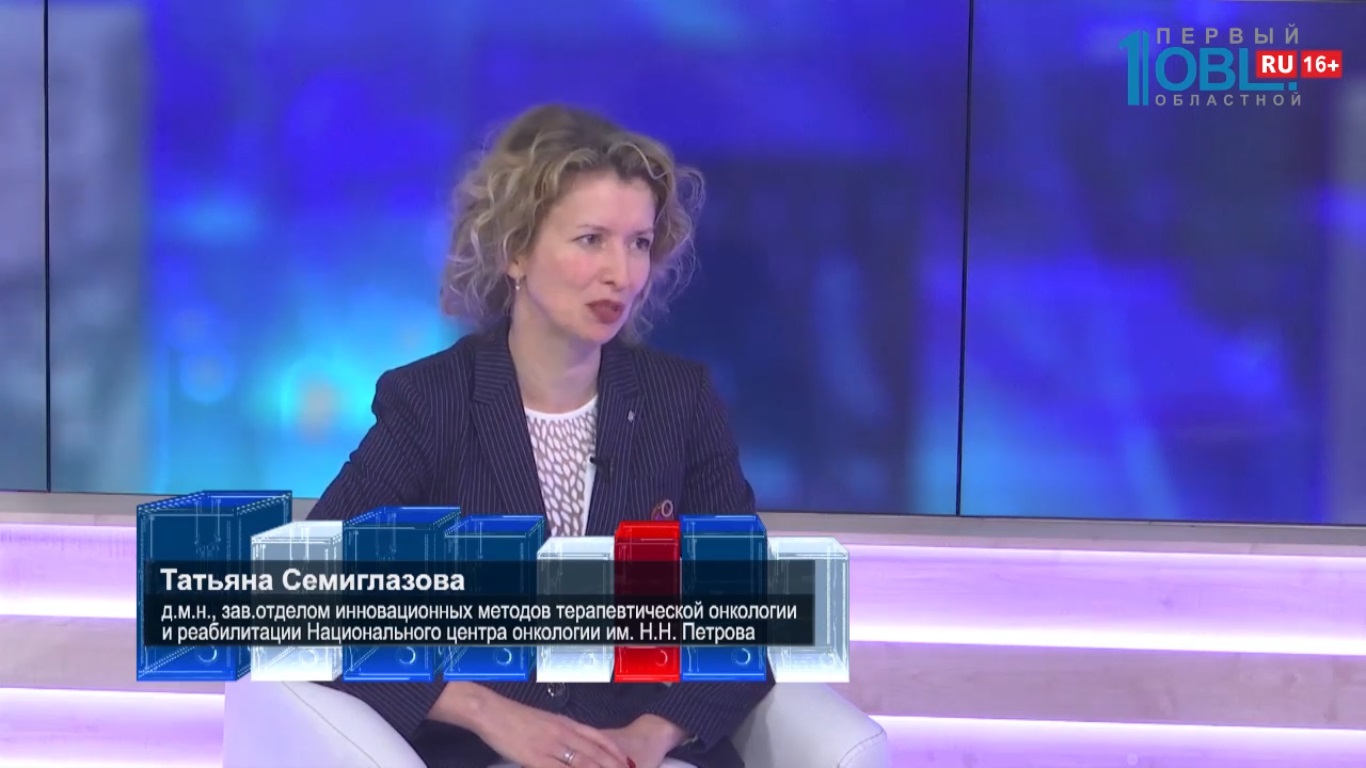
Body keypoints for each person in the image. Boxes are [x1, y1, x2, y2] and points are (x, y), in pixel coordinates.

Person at [307, 104, 774, 768]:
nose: (621, 273)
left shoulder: (681, 401)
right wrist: (484, 710)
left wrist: (650, 736)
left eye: (639, 243)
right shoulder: (432, 402)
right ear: (516, 251)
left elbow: (747, 616)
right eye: (591, 240)